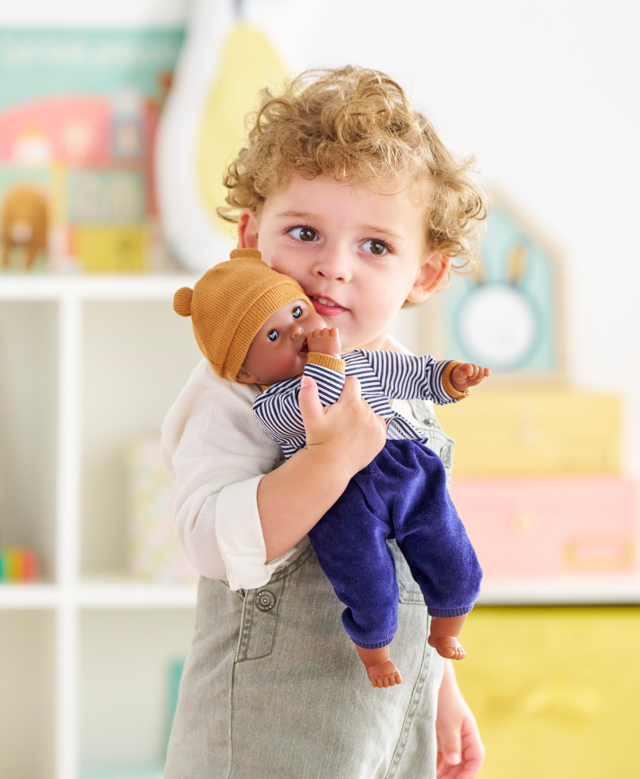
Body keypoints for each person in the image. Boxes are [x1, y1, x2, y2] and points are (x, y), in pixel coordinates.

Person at [161, 66, 488, 779]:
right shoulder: (238, 387)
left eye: (374, 246)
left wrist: (438, 688)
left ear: (424, 275)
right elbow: (215, 542)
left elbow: (414, 540)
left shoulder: (400, 374)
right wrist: (325, 462)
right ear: (250, 235)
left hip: (385, 722)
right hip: (264, 734)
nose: (331, 269)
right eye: (305, 232)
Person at [172, 250, 487, 688]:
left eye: (297, 312)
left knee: (449, 551)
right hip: (343, 507)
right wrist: (325, 359)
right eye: (274, 336)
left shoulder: (363, 357)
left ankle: (447, 627)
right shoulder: (270, 403)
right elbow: (317, 397)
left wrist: (448, 379)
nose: (298, 331)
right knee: (367, 581)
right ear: (246, 373)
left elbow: (409, 374)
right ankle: (375, 651)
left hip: (403, 469)